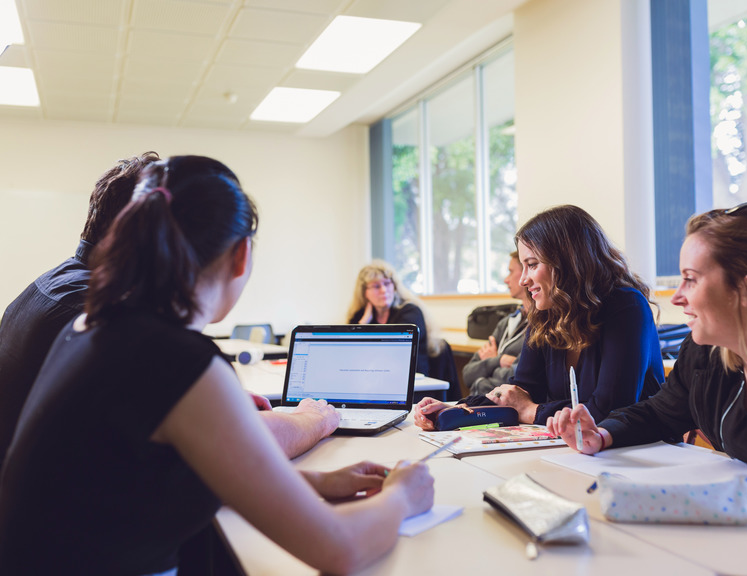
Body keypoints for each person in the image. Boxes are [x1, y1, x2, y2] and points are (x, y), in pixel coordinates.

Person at [0, 156, 434, 575]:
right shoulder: (177, 361)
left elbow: (140, 476)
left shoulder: (90, 321)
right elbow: (340, 549)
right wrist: (401, 497)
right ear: (241, 254)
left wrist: (317, 483)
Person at [0, 153, 337, 467]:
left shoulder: (59, 286)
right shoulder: (100, 316)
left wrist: (220, 402)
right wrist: (315, 419)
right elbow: (240, 449)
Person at [547, 202, 747, 477]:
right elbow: (659, 413)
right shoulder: (705, 355)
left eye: (690, 279)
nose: (677, 297)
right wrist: (602, 435)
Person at [415, 205, 664, 429]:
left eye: (532, 264)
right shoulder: (546, 314)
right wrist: (456, 408)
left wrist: (531, 410)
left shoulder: (626, 306)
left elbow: (608, 412)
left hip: (640, 457)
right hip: (577, 452)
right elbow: (520, 390)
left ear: (567, 263)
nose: (523, 279)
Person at [347, 259, 440, 375]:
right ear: (364, 292)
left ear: (394, 286)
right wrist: (363, 323)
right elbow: (350, 354)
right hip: (375, 378)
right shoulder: (360, 316)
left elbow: (392, 353)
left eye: (387, 283)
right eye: (376, 286)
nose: (384, 290)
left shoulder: (410, 312)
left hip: (412, 380)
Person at [463, 251, 530, 395]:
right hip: (482, 404)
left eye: (511, 272)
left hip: (500, 408)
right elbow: (468, 374)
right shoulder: (506, 323)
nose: (506, 280)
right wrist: (498, 361)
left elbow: (514, 380)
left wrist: (481, 381)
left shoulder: (539, 326)